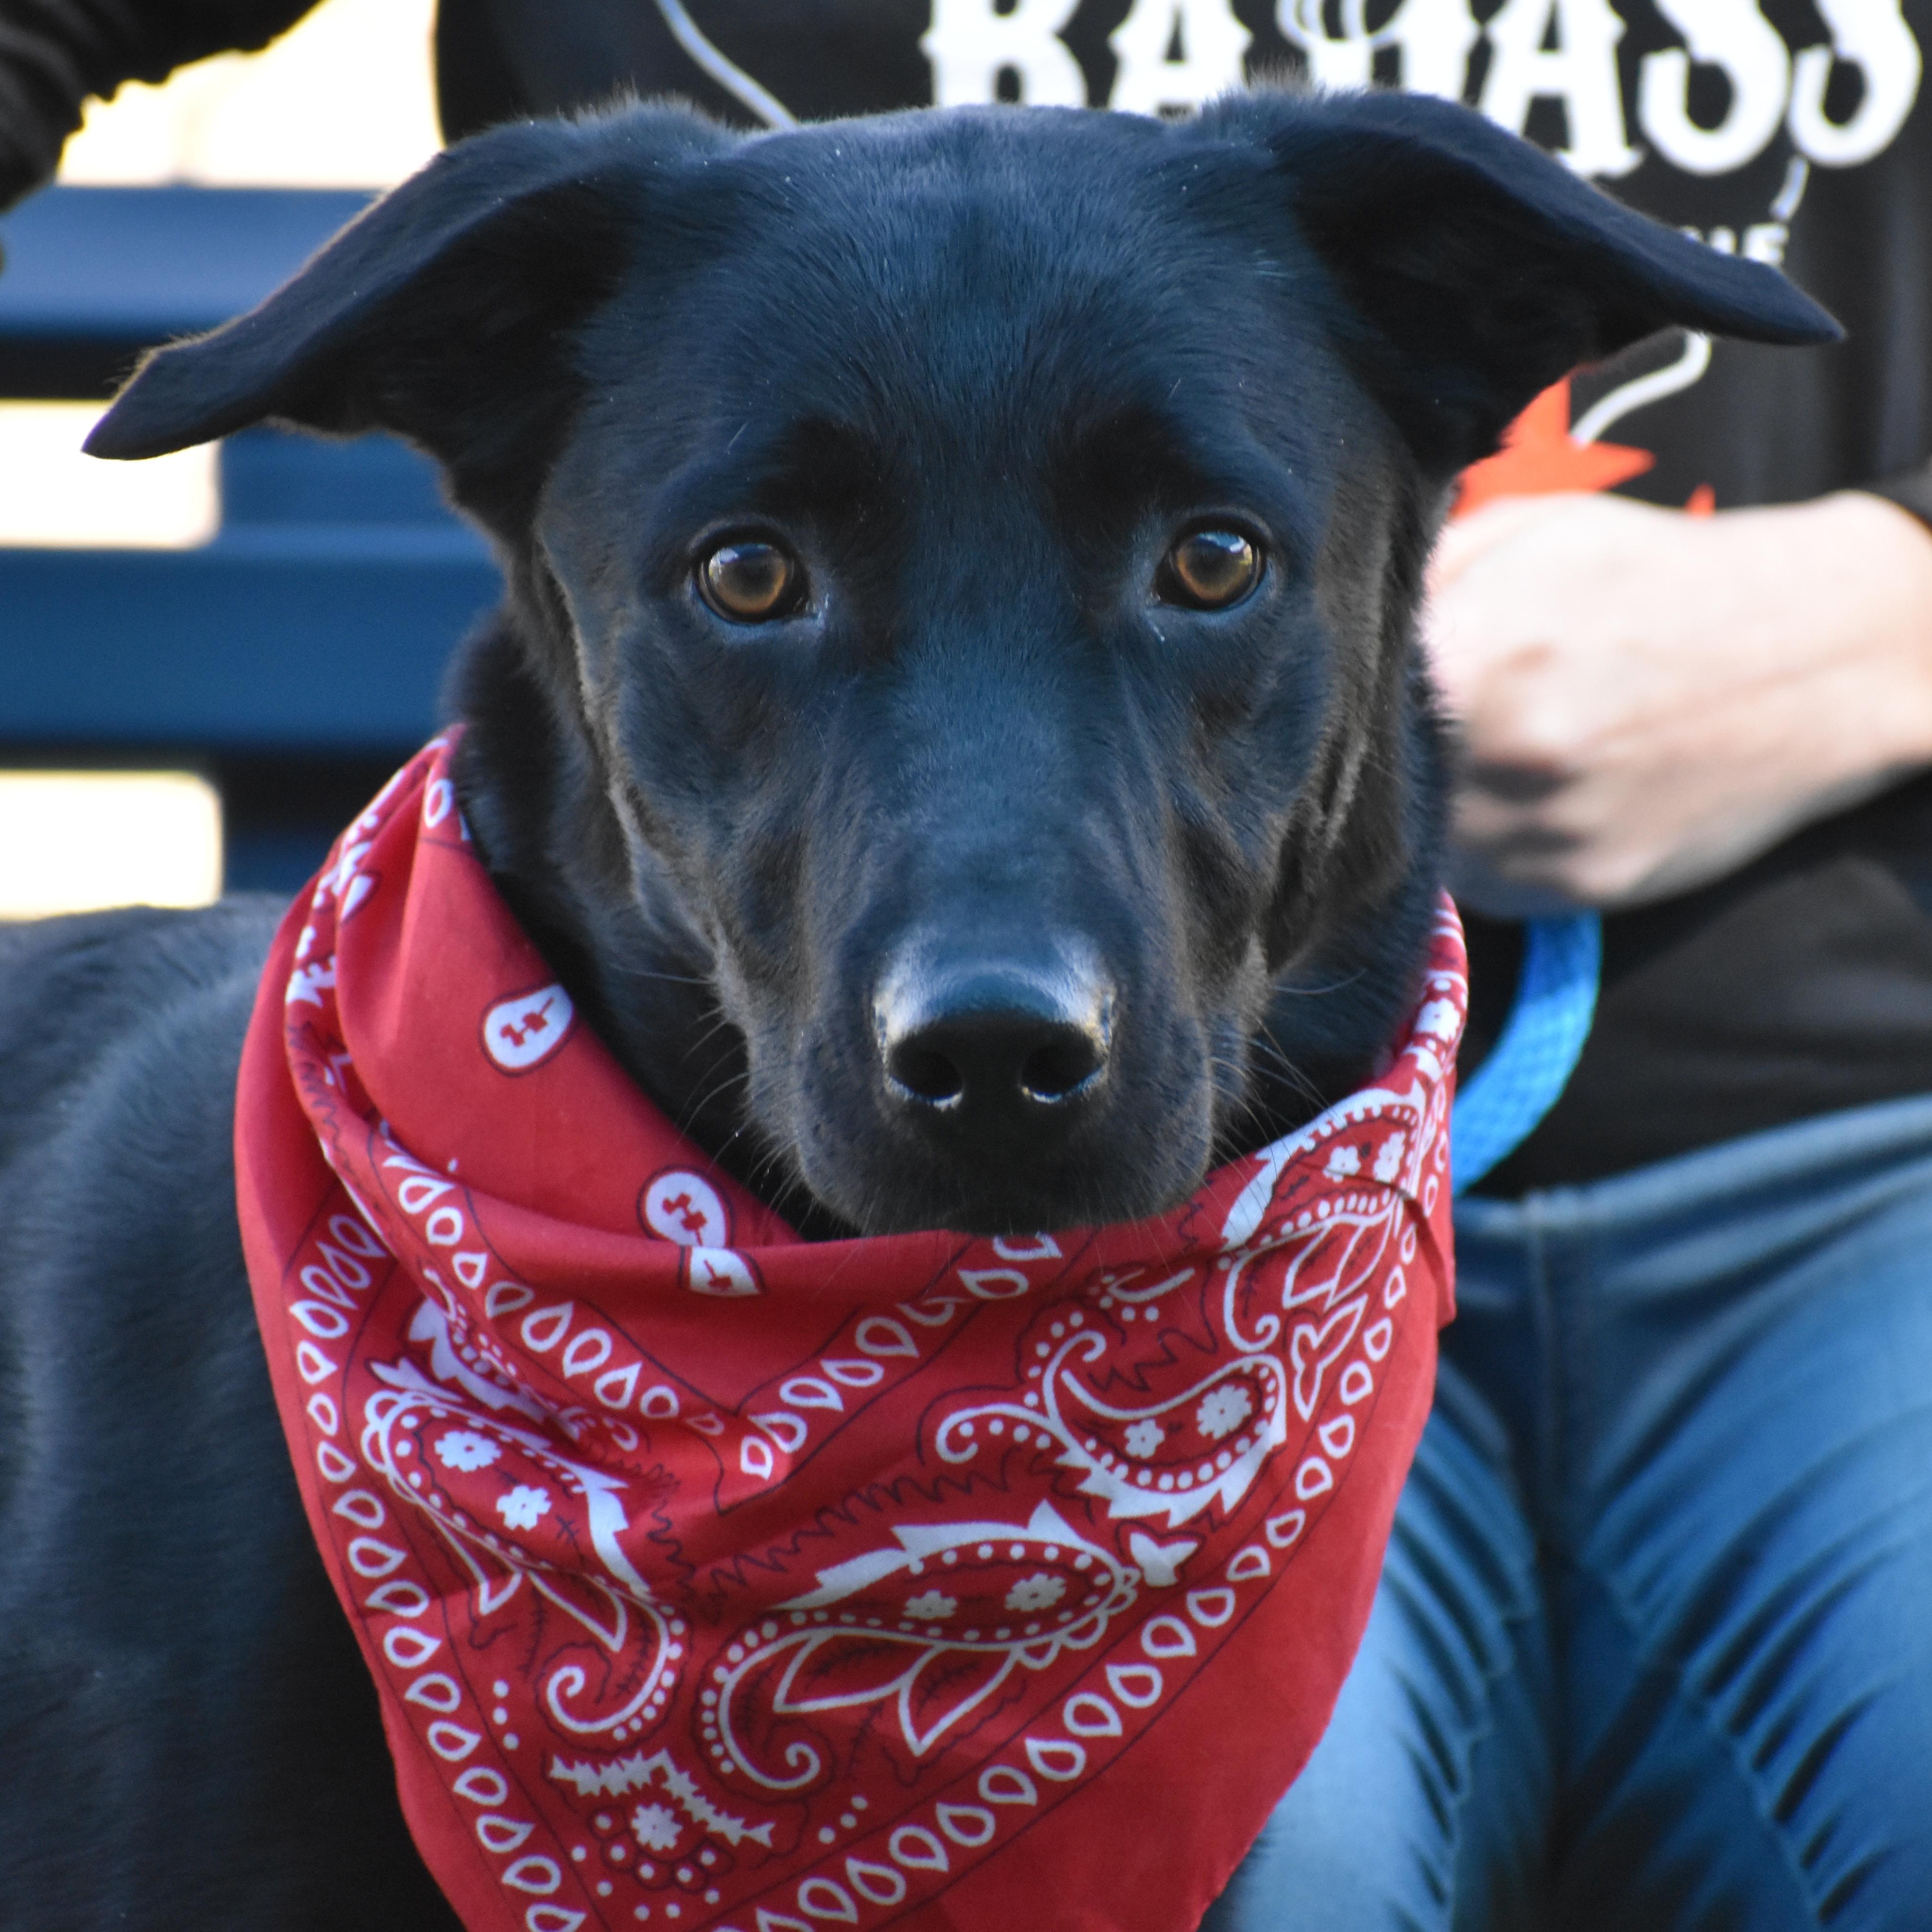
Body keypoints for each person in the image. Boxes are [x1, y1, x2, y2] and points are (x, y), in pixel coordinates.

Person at [7, 2, 1931, 1923]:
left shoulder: (1360, 276)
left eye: (1207, 566)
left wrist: (1884, 611)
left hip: (1842, 1199)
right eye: (754, 576)